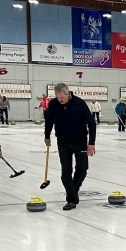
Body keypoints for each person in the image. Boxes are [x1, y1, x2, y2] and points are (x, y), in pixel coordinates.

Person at [44, 83, 96, 211]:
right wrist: (47, 136)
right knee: (66, 171)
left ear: (68, 94)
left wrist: (91, 143)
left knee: (82, 168)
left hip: (80, 140)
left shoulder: (79, 103)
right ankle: (71, 199)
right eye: (57, 97)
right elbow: (49, 120)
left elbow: (91, 123)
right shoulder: (53, 104)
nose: (60, 100)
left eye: (62, 97)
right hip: (63, 141)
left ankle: (74, 189)